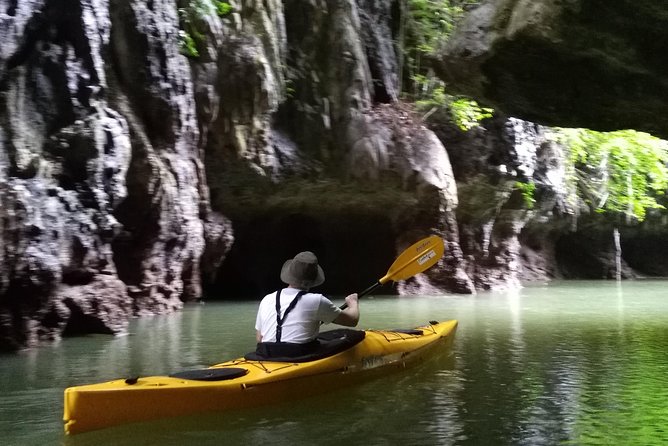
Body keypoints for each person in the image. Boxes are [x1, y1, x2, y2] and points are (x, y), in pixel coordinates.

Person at [254, 251, 359, 357]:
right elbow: (352, 320)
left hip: (266, 353)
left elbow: (259, 338)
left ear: (290, 274)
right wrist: (353, 303)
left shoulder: (267, 299)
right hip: (298, 354)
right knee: (351, 337)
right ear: (312, 280)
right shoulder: (317, 300)